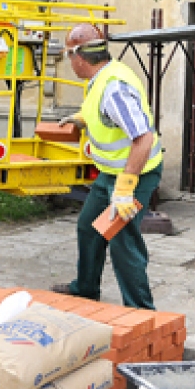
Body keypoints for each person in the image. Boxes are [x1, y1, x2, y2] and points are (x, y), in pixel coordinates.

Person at [53, 24, 163, 310]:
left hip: (135, 174)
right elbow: (102, 113)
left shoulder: (114, 88)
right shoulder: (100, 78)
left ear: (79, 57)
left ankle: (141, 312)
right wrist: (80, 119)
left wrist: (125, 190)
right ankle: (85, 289)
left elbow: (143, 138)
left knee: (122, 241)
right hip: (111, 174)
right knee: (89, 226)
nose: (69, 63)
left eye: (68, 57)